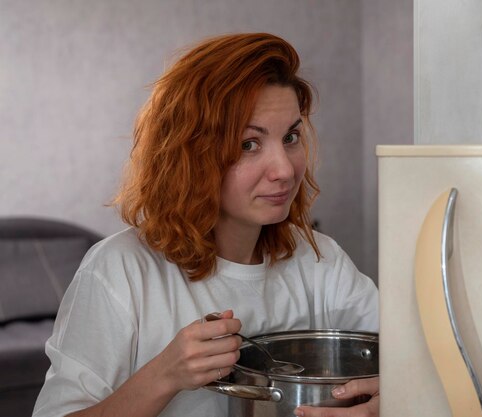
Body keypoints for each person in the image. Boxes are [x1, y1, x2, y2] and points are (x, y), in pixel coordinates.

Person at [32, 33, 379, 417]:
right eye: (249, 144)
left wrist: (390, 399)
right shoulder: (119, 270)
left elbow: (421, 361)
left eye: (291, 137)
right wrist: (164, 375)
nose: (284, 170)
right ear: (191, 154)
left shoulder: (319, 259)